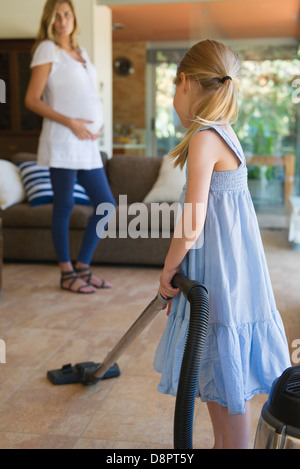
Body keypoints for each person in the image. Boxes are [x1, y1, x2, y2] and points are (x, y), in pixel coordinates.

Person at [154, 39, 291, 449]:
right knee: (231, 395)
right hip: (234, 276)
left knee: (227, 405)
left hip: (218, 286)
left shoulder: (204, 138)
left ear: (184, 83)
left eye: (174, 89)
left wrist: (167, 270)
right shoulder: (226, 134)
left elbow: (192, 221)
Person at [25, 0, 116, 294]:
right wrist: (71, 122)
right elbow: (32, 100)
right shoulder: (47, 50)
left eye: (67, 14)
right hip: (63, 141)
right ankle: (66, 272)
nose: (62, 20)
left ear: (74, 18)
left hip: (87, 145)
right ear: (49, 21)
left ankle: (83, 267)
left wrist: (95, 122)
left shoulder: (82, 52)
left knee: (106, 206)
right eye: (57, 16)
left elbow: (88, 95)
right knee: (63, 205)